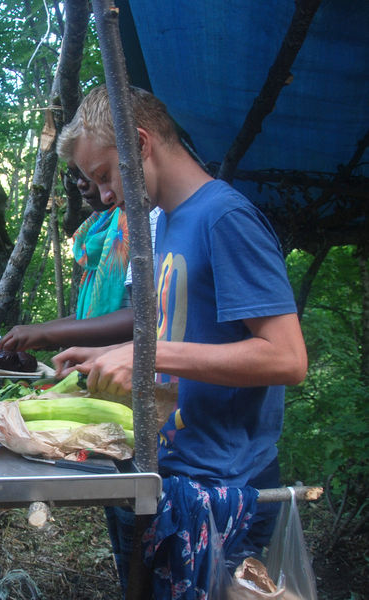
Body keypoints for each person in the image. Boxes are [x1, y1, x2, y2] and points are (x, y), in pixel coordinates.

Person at [52, 85, 308, 597]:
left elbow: (287, 357)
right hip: (163, 470)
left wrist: (146, 354)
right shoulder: (166, 223)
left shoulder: (224, 217)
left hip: (221, 489)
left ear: (140, 142)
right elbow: (183, 333)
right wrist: (104, 355)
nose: (103, 195)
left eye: (105, 175)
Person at [0, 165, 132, 352]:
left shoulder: (137, 224)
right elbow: (90, 316)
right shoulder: (99, 225)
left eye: (88, 173)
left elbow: (144, 317)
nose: (80, 183)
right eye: (74, 175)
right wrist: (45, 333)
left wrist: (48, 333)